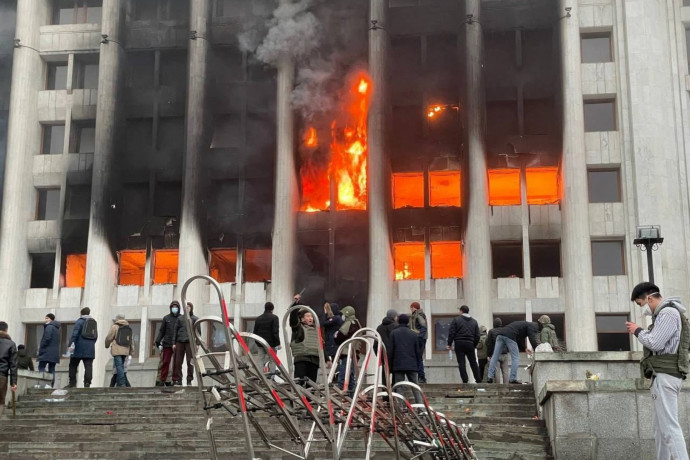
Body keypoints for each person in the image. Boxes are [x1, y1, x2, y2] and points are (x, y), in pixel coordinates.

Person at [626, 282, 689, 460]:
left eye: (641, 304)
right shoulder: (667, 313)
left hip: (666, 374)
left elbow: (655, 343)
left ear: (650, 298)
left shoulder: (668, 313)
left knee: (668, 427)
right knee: (661, 429)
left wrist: (637, 330)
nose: (642, 308)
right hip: (664, 374)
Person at [487, 320, 540, 384]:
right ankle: (512, 378)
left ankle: (489, 377)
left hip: (500, 335)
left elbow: (519, 339)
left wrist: (524, 348)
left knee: (495, 356)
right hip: (509, 336)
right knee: (515, 357)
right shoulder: (532, 326)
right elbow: (532, 338)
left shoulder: (523, 325)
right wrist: (537, 349)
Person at [388, 314, 422, 404]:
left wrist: (390, 367)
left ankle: (400, 408)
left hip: (398, 365)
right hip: (412, 364)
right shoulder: (413, 334)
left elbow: (390, 351)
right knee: (415, 388)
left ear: (398, 321)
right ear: (408, 322)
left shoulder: (394, 333)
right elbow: (418, 352)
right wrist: (418, 365)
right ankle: (421, 408)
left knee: (399, 387)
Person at [446, 305, 481, 383]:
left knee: (461, 363)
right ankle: (478, 379)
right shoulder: (474, 322)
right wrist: (473, 345)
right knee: (473, 362)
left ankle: (465, 380)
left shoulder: (456, 320)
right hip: (470, 344)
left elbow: (452, 333)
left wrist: (449, 343)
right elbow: (477, 336)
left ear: (461, 311)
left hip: (459, 343)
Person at [67, 307, 97, 388]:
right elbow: (95, 336)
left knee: (73, 365)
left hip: (78, 347)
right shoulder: (93, 322)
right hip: (90, 348)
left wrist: (71, 344)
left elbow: (75, 334)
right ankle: (87, 383)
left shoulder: (79, 321)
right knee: (88, 366)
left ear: (81, 313)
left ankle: (72, 383)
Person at [334, 306, 362, 394]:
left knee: (344, 374)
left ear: (346, 314)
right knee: (350, 375)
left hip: (347, 352)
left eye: (342, 314)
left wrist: (336, 335)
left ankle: (342, 394)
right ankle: (350, 395)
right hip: (354, 352)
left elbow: (340, 335)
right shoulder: (357, 323)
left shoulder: (349, 322)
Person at [290, 307, 320, 386]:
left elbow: (320, 345)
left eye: (311, 316)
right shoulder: (298, 328)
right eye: (308, 316)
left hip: (314, 360)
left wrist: (327, 359)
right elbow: (293, 321)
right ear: (302, 319)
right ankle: (299, 397)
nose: (311, 318)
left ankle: (309, 398)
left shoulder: (316, 330)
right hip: (302, 359)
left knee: (311, 385)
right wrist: (296, 305)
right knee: (299, 382)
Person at [154, 300, 180, 387]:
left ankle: (175, 380)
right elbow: (162, 331)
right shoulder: (166, 318)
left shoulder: (181, 318)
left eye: (176, 307)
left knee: (176, 363)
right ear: (170, 308)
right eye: (173, 307)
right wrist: (158, 341)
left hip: (178, 343)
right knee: (165, 362)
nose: (174, 309)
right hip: (167, 343)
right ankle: (162, 379)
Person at [105, 314, 135, 388]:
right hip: (125, 350)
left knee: (119, 366)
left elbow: (109, 337)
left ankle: (121, 383)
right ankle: (120, 383)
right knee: (121, 366)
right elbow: (131, 340)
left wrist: (107, 345)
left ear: (117, 319)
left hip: (117, 350)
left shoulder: (115, 327)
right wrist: (132, 350)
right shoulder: (128, 327)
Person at [173, 302, 199, 386]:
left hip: (190, 342)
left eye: (189, 307)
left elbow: (198, 332)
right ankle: (179, 379)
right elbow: (175, 331)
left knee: (190, 362)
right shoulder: (180, 318)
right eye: (186, 307)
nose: (187, 308)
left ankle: (189, 380)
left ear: (191, 308)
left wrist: (197, 344)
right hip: (179, 342)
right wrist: (174, 343)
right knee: (178, 362)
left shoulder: (195, 319)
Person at [253, 301, 280, 375]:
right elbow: (275, 332)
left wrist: (258, 342)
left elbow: (255, 332)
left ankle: (261, 377)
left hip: (260, 343)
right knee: (272, 360)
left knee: (260, 360)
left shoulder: (258, 318)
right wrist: (277, 343)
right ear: (272, 309)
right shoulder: (274, 318)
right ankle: (271, 377)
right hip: (271, 344)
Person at [0, 321, 18, 417]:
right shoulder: (11, 344)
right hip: (1, 376)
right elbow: (13, 365)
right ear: (6, 330)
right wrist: (13, 382)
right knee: (0, 401)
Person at [38, 313, 60, 388]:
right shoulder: (56, 329)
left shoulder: (49, 327)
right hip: (54, 353)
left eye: (47, 318)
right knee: (52, 369)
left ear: (51, 319)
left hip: (46, 351)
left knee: (41, 367)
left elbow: (46, 338)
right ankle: (51, 384)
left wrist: (41, 347)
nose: (45, 320)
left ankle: (43, 383)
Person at [486, 317, 510, 384]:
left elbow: (489, 344)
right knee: (505, 372)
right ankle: (506, 387)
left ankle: (498, 387)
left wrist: (489, 354)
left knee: (497, 371)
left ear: (494, 324)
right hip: (505, 354)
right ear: (501, 324)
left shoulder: (491, 331)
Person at [409, 302, 428, 384]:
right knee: (417, 358)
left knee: (418, 358)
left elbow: (423, 327)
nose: (410, 309)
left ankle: (422, 377)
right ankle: (420, 377)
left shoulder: (419, 314)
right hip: (417, 338)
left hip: (419, 339)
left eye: (411, 307)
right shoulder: (415, 315)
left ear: (414, 307)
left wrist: (419, 337)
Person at [321, 302, 343, 367]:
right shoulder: (335, 318)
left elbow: (323, 323)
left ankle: (336, 374)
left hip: (334, 343)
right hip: (332, 343)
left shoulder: (336, 318)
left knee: (336, 362)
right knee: (334, 361)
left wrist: (325, 314)